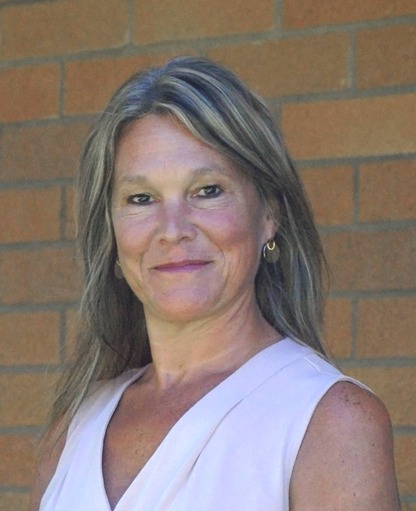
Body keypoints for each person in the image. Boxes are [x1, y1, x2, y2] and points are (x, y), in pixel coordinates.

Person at [29, 56, 401, 511]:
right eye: (141, 198)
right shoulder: (74, 430)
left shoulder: (329, 421)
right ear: (111, 234)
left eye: (207, 190)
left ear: (269, 215)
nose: (173, 229)